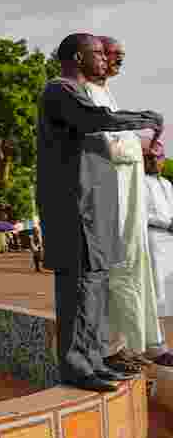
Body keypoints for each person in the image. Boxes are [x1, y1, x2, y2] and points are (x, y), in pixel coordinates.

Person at [37, 32, 163, 392]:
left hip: (97, 205)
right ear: (77, 57)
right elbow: (96, 119)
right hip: (74, 204)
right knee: (79, 285)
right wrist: (145, 118)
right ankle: (76, 365)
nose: (105, 60)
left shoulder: (81, 91)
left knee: (95, 284)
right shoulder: (60, 90)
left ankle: (92, 359)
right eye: (98, 54)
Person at [85, 36, 171, 371]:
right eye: (110, 55)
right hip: (111, 199)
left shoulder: (106, 94)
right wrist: (135, 144)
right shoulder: (82, 94)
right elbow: (103, 143)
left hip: (127, 198)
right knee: (117, 274)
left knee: (136, 275)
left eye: (121, 56)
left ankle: (144, 343)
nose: (116, 62)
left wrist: (139, 145)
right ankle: (117, 347)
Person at [144, 140, 173, 320]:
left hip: (171, 238)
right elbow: (142, 214)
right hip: (154, 239)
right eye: (151, 158)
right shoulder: (140, 182)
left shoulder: (168, 184)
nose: (155, 161)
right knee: (158, 288)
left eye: (159, 157)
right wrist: (166, 224)